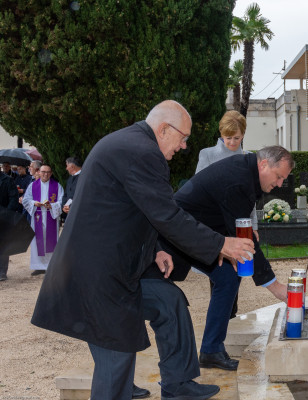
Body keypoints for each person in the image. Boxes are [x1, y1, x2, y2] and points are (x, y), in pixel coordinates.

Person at [31, 100, 255, 400]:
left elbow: (138, 210)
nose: (184, 146)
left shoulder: (133, 144)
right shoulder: (142, 152)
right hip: (98, 277)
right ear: (164, 129)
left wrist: (155, 251)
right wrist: (221, 244)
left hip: (119, 268)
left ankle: (178, 384)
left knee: (169, 300)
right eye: (183, 138)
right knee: (117, 350)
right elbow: (168, 216)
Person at [144, 145, 292, 375]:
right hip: (176, 233)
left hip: (202, 230)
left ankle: (211, 350)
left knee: (228, 275)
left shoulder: (248, 174)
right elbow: (243, 238)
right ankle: (124, 357)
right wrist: (275, 287)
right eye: (279, 176)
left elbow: (238, 229)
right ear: (264, 164)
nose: (280, 184)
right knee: (156, 296)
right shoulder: (239, 180)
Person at [195, 110, 258, 319]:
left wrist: (254, 227)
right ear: (221, 134)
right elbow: (197, 190)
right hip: (214, 226)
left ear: (243, 135)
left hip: (239, 226)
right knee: (220, 274)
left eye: (236, 138)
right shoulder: (207, 155)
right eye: (228, 137)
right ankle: (222, 318)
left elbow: (251, 198)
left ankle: (230, 317)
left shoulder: (248, 158)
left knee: (238, 273)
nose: (232, 141)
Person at [22, 164, 63, 276]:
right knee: (37, 241)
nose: (45, 174)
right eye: (43, 172)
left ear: (51, 173)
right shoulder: (32, 186)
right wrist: (34, 203)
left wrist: (52, 206)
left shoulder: (57, 186)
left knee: (51, 241)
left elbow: (61, 202)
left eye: (48, 172)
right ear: (38, 172)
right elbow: (26, 200)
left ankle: (51, 265)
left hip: (51, 216)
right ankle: (39, 266)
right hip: (37, 217)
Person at [0, 172, 19, 281]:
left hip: (4, 216)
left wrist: (7, 213)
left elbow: (13, 198)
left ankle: (2, 271)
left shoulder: (7, 180)